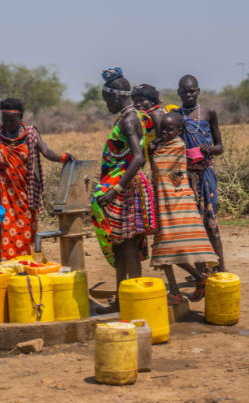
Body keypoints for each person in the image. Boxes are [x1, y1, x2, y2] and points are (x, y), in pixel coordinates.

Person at [0, 98, 74, 263]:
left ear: (20, 118)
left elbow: (46, 151)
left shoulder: (31, 134)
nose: (8, 124)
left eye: (12, 121)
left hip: (23, 193)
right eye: (4, 120)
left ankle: (20, 265)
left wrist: (62, 158)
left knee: (22, 229)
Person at [92, 67, 158, 314]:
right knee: (121, 245)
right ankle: (122, 299)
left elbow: (139, 157)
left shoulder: (129, 120)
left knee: (128, 244)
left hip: (125, 187)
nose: (106, 105)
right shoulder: (134, 116)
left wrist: (115, 190)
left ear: (114, 96)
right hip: (124, 184)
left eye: (106, 100)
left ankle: (133, 300)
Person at [149, 112, 218, 304]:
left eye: (170, 130)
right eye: (162, 130)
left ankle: (177, 291)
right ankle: (192, 281)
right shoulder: (159, 147)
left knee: (170, 248)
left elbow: (174, 173)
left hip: (177, 205)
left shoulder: (179, 146)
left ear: (179, 131)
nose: (165, 133)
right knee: (164, 249)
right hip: (163, 204)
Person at [175, 74, 227, 274]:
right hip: (185, 176)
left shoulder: (209, 112)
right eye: (185, 91)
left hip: (206, 173)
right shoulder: (175, 116)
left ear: (198, 91)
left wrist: (209, 149)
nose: (188, 95)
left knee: (210, 220)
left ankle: (220, 268)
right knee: (192, 223)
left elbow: (220, 147)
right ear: (179, 92)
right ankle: (201, 272)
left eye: (192, 91)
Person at [132, 84, 166, 154]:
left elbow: (162, 140)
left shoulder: (156, 114)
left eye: (142, 100)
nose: (138, 104)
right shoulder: (142, 117)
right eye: (135, 101)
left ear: (152, 101)